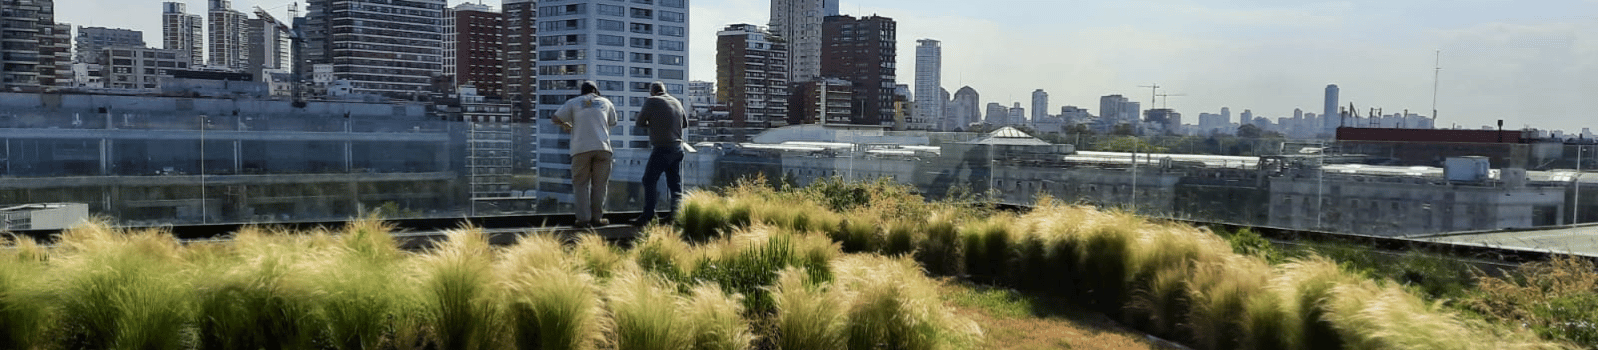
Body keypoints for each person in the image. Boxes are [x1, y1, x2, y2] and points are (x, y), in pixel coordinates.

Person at [553, 81, 619, 227]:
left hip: (580, 149)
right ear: (596, 91)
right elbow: (613, 122)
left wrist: (566, 124)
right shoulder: (606, 102)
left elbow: (555, 118)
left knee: (581, 184)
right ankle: (597, 218)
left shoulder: (573, 102)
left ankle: (583, 220)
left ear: (582, 92)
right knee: (600, 185)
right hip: (603, 148)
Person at [631, 81, 688, 227]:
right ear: (664, 90)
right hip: (677, 148)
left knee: (649, 180)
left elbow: (639, 122)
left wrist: (654, 123)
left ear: (652, 91)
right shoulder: (676, 101)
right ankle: (676, 215)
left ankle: (648, 216)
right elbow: (685, 124)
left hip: (662, 148)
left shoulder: (652, 101)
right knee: (675, 184)